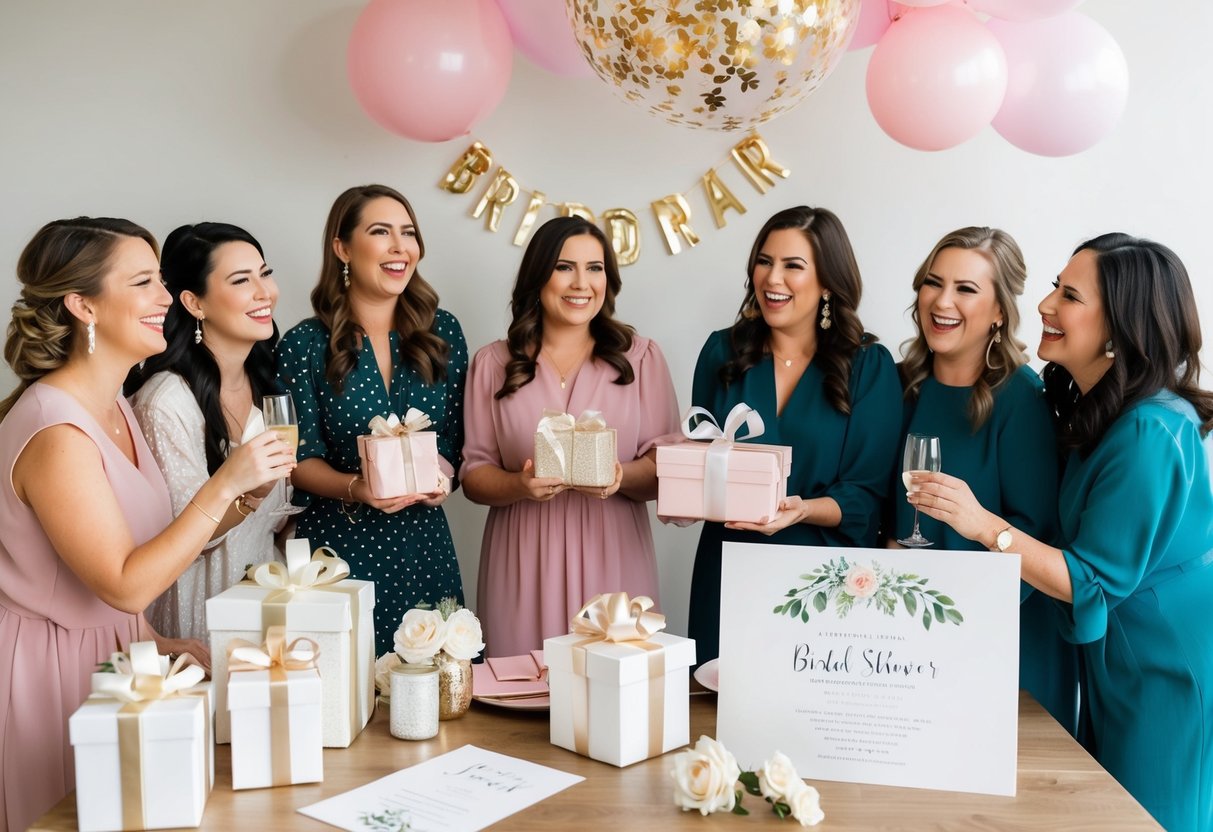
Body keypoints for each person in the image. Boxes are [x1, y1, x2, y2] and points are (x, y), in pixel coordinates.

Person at [911, 234, 1213, 832]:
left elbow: (1087, 579)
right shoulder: (1101, 407)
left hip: (1163, 671)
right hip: (1114, 659)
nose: (1045, 304)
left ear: (1119, 325)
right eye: (1055, 285)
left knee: (1154, 818)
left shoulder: (1150, 432)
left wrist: (983, 525)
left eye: (1069, 295)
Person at [0, 218, 291, 832]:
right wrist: (227, 483)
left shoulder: (114, 408)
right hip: (49, 674)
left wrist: (151, 643)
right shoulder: (57, 432)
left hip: (116, 662)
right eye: (143, 282)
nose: (166, 298)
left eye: (162, 279)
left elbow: (126, 559)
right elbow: (125, 582)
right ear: (83, 305)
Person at [687, 205, 902, 666]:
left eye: (793, 266)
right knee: (715, 717)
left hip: (822, 579)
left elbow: (867, 495)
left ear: (828, 281)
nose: (772, 278)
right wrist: (685, 492)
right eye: (764, 261)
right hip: (728, 569)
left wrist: (802, 509)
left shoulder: (869, 367)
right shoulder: (721, 353)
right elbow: (703, 461)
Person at [888, 226, 1078, 734]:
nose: (942, 300)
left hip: (997, 639)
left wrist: (956, 619)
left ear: (999, 311)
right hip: (908, 637)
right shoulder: (902, 386)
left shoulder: (1021, 399)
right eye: (933, 282)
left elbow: (1037, 533)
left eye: (966, 289)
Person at [462, 217, 679, 657]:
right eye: (564, 267)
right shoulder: (493, 363)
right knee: (519, 701)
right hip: (523, 559)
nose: (582, 283)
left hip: (614, 553)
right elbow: (473, 473)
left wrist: (620, 476)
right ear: (537, 276)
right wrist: (518, 485)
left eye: (595, 268)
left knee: (614, 700)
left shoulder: (642, 359)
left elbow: (666, 470)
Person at [277, 184, 467, 655]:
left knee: (434, 690)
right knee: (345, 698)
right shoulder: (303, 344)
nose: (400, 246)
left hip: (425, 545)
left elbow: (457, 444)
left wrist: (442, 479)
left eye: (408, 233)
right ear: (342, 247)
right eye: (381, 232)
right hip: (338, 547)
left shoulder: (443, 331)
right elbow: (297, 460)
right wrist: (356, 488)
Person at [127, 222, 287, 641]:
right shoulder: (165, 403)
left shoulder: (270, 388)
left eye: (265, 274)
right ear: (194, 303)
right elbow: (182, 540)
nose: (263, 292)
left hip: (265, 603)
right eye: (241, 280)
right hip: (198, 610)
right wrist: (250, 493)